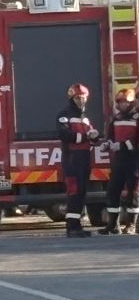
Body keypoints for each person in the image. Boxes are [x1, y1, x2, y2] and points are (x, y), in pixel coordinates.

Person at [57, 83, 100, 238]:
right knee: (74, 191)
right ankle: (72, 227)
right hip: (72, 158)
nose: (81, 101)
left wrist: (95, 137)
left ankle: (77, 225)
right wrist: (85, 137)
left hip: (84, 158)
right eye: (78, 98)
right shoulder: (64, 114)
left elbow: (92, 136)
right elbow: (64, 134)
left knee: (81, 192)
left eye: (83, 98)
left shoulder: (85, 118)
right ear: (71, 98)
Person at [102, 88, 139, 235]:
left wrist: (123, 145)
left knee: (133, 193)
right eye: (120, 102)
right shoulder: (116, 118)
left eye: (126, 102)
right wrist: (108, 143)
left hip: (134, 161)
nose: (123, 105)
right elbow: (110, 135)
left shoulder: (137, 118)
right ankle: (112, 225)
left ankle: (131, 225)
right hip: (118, 160)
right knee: (113, 191)